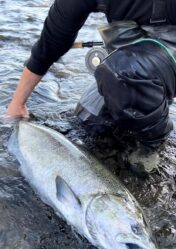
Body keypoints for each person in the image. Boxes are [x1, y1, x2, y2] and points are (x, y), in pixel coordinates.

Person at [5, 0, 176, 168]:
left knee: (123, 73)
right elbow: (48, 47)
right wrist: (17, 104)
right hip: (134, 55)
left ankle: (153, 143)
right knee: (88, 122)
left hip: (149, 56)